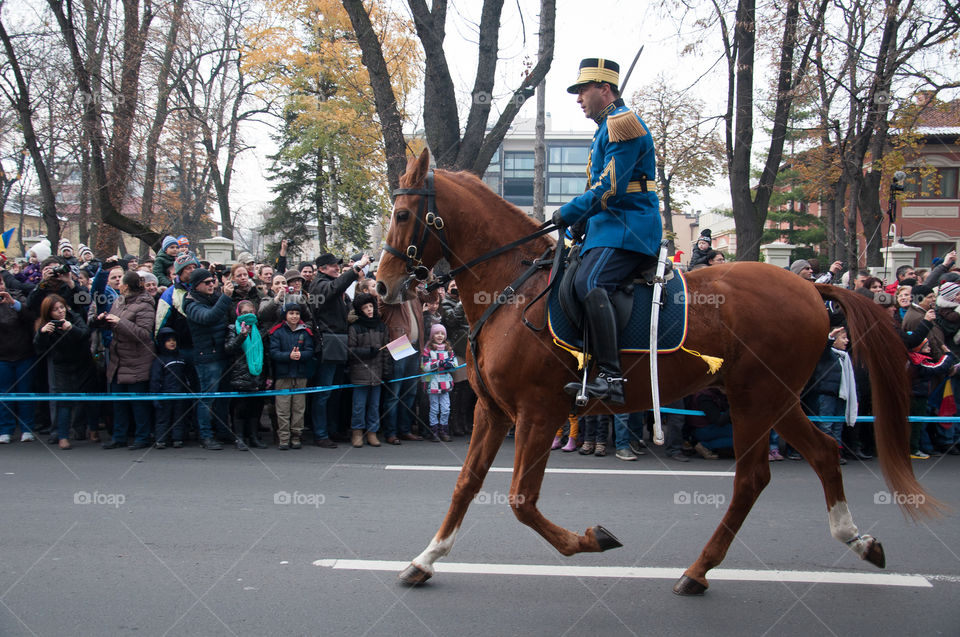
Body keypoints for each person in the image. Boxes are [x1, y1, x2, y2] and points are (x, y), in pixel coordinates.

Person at [550, 58, 660, 405]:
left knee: (590, 282)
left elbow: (610, 188)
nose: (578, 98)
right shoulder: (604, 129)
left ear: (605, 88)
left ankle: (611, 376)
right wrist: (581, 222)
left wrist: (568, 212)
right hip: (608, 227)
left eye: (583, 90)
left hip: (630, 227)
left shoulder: (622, 124)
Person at [308, 252, 371, 447]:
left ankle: (332, 429)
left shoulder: (332, 285)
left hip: (339, 341)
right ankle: (320, 434)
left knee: (335, 391)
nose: (337, 268)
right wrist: (357, 268)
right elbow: (335, 287)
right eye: (333, 265)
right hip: (328, 343)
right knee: (324, 392)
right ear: (321, 269)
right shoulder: (319, 285)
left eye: (338, 265)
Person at [34, 295, 100, 449]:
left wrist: (71, 328)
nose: (60, 312)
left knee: (90, 397)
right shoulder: (45, 325)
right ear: (48, 312)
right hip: (62, 366)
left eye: (61, 307)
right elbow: (39, 349)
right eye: (55, 310)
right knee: (64, 401)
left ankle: (94, 429)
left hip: (83, 362)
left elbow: (85, 334)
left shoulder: (73, 317)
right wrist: (42, 334)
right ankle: (63, 436)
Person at [100, 271, 156, 450]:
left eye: (121, 282)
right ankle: (119, 436)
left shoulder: (145, 305)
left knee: (138, 403)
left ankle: (142, 437)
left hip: (137, 361)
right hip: (118, 361)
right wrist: (102, 320)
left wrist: (119, 322)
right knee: (119, 402)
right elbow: (114, 322)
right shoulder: (119, 300)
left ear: (127, 286)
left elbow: (144, 334)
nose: (118, 284)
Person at [183, 267, 235, 450]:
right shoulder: (191, 304)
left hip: (222, 354)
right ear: (196, 285)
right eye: (207, 282)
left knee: (223, 397)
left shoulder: (213, 297)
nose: (212, 284)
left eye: (213, 281)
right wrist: (226, 297)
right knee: (207, 398)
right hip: (207, 357)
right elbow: (209, 317)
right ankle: (205, 435)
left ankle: (223, 430)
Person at [268, 302, 314, 450]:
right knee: (282, 409)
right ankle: (283, 437)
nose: (294, 316)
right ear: (285, 315)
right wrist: (289, 355)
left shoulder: (305, 332)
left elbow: (310, 351)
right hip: (283, 375)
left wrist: (301, 355)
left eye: (297, 313)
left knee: (299, 408)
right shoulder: (277, 332)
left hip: (300, 375)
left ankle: (296, 435)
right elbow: (274, 353)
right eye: (291, 313)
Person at [347, 293, 391, 447]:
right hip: (360, 373)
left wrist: (386, 371)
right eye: (365, 308)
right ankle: (357, 432)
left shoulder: (381, 326)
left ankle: (372, 432)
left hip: (377, 372)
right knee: (359, 405)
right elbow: (350, 351)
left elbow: (386, 350)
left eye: (371, 306)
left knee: (374, 405)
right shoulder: (355, 327)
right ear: (360, 310)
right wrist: (367, 351)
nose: (369, 310)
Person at [224, 299, 268, 450]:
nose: (248, 315)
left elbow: (266, 353)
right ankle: (240, 438)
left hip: (258, 374)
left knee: (256, 408)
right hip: (240, 374)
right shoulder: (232, 328)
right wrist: (241, 335)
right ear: (238, 314)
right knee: (240, 408)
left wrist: (268, 376)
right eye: (244, 313)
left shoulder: (260, 329)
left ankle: (254, 437)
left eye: (250, 312)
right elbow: (229, 348)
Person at [0, 277, 36, 444]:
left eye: (0, 283)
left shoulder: (17, 297)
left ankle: (27, 429)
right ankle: (5, 430)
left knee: (25, 393)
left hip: (23, 354)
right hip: (2, 357)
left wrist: (12, 303)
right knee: (4, 395)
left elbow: (30, 317)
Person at [150, 327, 191, 449]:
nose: (172, 343)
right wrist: (155, 397)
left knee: (179, 417)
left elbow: (187, 376)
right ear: (163, 343)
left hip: (180, 394)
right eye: (168, 341)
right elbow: (155, 380)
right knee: (163, 418)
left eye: (174, 340)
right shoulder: (160, 360)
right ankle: (161, 439)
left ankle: (177, 438)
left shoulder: (182, 358)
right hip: (165, 395)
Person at [420, 323, 457, 442]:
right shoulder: (427, 350)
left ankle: (444, 430)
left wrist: (449, 365)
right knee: (434, 408)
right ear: (432, 335)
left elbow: (455, 364)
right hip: (433, 383)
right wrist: (438, 364)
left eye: (442, 333)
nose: (440, 336)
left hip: (445, 383)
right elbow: (425, 366)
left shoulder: (449, 350)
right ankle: (434, 431)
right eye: (437, 333)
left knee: (446, 408)